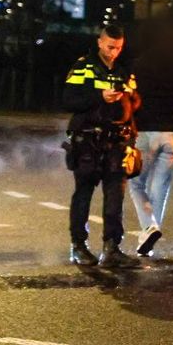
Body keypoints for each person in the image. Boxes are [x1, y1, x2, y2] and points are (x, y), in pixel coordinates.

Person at [62, 24, 142, 268]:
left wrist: (131, 138)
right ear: (99, 42)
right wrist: (100, 97)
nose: (113, 52)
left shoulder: (123, 71)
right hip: (87, 140)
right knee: (84, 193)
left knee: (115, 196)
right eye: (110, 46)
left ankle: (112, 248)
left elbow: (135, 104)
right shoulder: (83, 66)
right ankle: (78, 246)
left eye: (118, 48)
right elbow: (68, 100)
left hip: (116, 141)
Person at [127, 25, 173, 257]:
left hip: (144, 131)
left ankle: (149, 225)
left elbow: (131, 99)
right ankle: (150, 231)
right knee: (160, 187)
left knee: (135, 183)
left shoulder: (139, 64)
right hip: (172, 135)